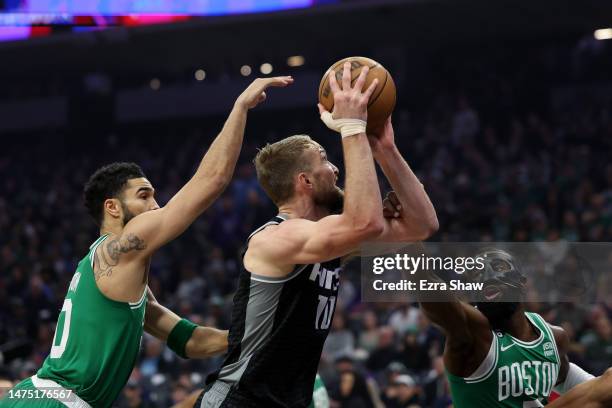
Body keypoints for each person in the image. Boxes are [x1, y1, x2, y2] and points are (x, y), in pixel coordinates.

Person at [0, 76, 294, 408]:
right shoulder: (118, 250)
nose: (156, 206)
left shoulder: (121, 275)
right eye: (144, 196)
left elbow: (188, 342)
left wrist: (252, 339)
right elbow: (211, 181)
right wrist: (240, 107)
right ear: (112, 207)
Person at [190, 61, 438, 407]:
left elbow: (422, 225)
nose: (336, 168)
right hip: (239, 401)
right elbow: (365, 222)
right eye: (324, 159)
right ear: (304, 181)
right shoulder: (275, 239)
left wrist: (385, 149)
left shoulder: (329, 239)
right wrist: (351, 127)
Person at [419, 249, 594, 407]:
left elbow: (568, 377)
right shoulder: (473, 331)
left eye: (499, 266)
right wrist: (407, 242)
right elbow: (432, 292)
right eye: (477, 273)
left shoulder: (554, 337)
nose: (487, 276)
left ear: (522, 283)